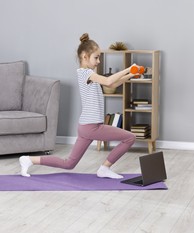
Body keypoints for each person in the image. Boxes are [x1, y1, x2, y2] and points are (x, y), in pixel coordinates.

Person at [19, 33, 136, 179]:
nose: (99, 61)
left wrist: (131, 74)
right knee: (130, 138)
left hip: (86, 126)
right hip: (92, 127)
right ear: (85, 56)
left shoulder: (90, 75)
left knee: (69, 164)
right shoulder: (85, 73)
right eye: (96, 57)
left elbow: (112, 83)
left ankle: (29, 159)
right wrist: (128, 69)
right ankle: (105, 168)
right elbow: (107, 81)